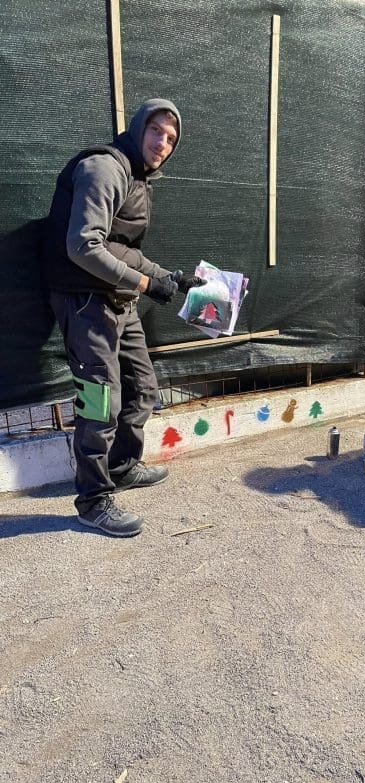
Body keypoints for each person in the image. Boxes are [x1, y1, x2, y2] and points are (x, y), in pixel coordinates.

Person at [44, 99, 203, 537]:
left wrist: (169, 278)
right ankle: (92, 500)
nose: (162, 143)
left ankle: (121, 467)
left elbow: (121, 248)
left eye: (171, 138)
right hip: (83, 300)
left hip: (117, 298)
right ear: (136, 128)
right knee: (100, 401)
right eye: (155, 130)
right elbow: (83, 246)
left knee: (144, 389)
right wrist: (147, 283)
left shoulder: (136, 177)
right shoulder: (105, 169)